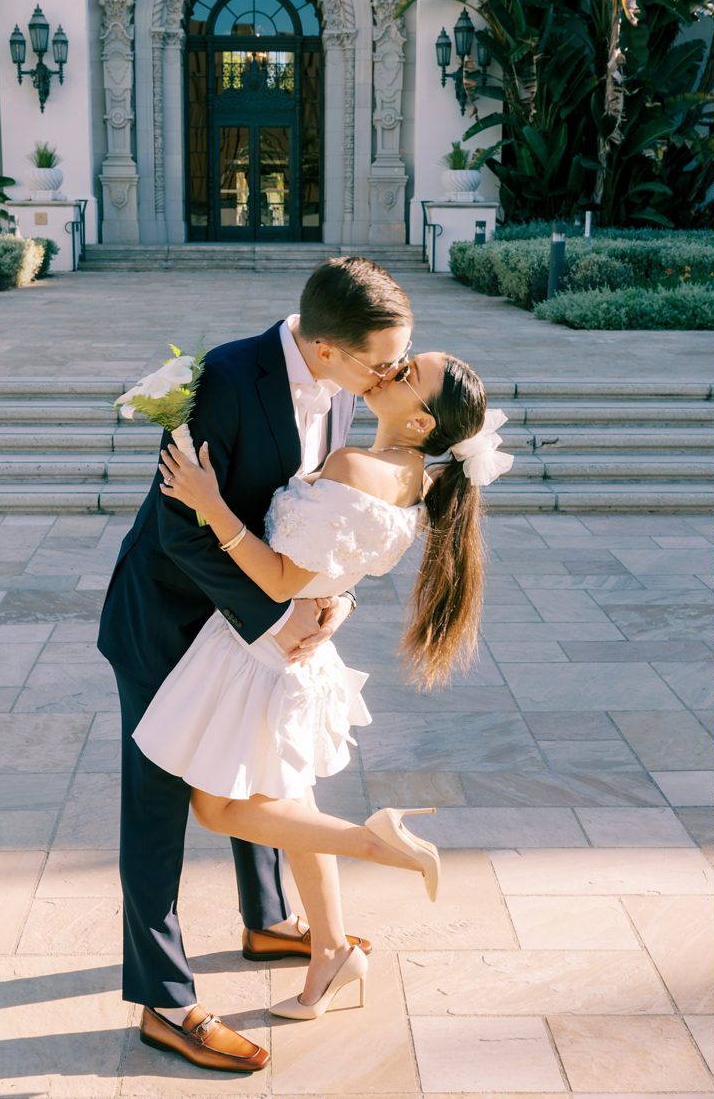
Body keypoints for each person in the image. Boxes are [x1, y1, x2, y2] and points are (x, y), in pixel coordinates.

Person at [141, 346, 505, 1050]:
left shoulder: (353, 465)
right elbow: (336, 563)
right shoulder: (417, 480)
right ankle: (333, 952)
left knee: (216, 807)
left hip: (260, 653)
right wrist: (335, 598)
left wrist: (209, 503)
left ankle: (376, 840)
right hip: (301, 655)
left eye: (408, 374)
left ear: (422, 422)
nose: (392, 369)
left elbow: (280, 579)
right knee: (294, 804)